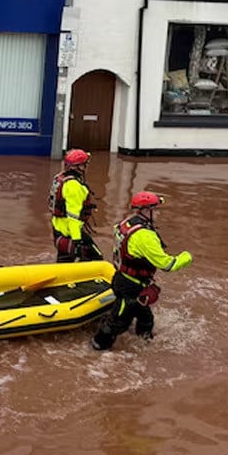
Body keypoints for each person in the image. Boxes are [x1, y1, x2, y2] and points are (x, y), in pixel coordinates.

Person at [91, 192, 192, 350]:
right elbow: (168, 265)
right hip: (130, 286)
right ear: (146, 211)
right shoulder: (145, 236)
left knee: (146, 319)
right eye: (155, 209)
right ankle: (96, 350)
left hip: (124, 279)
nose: (158, 213)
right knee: (116, 323)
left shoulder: (126, 223)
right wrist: (187, 257)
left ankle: (144, 347)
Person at [49, 149, 102, 263]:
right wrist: (77, 241)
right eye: (85, 164)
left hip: (58, 228)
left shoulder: (61, 178)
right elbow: (73, 217)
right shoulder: (74, 186)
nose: (86, 167)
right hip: (69, 232)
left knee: (64, 260)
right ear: (79, 167)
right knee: (97, 258)